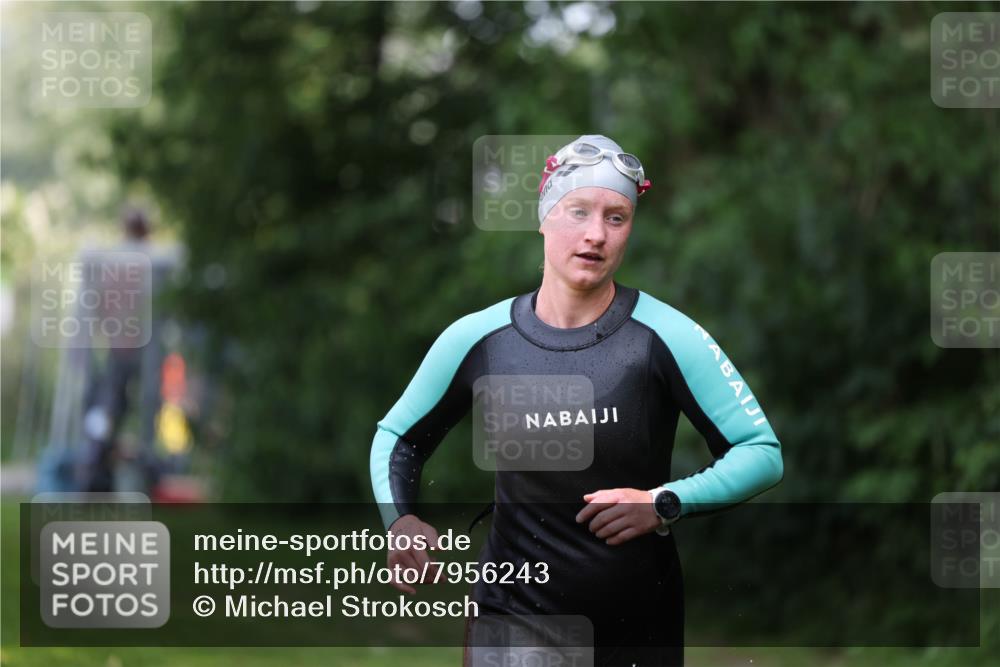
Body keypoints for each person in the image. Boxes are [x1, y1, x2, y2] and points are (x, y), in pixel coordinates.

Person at [369, 135, 784, 666]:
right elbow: (398, 438)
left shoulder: (665, 335)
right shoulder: (480, 338)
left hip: (637, 627)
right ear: (544, 217)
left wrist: (662, 503)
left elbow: (760, 451)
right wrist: (400, 520)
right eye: (578, 212)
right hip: (511, 618)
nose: (595, 235)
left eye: (616, 217)